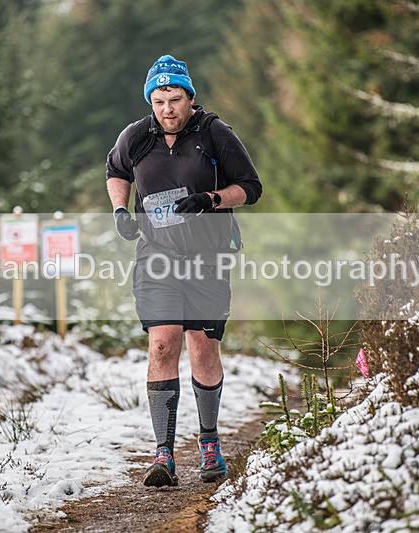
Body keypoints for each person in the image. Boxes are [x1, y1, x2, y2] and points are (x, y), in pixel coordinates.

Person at [105, 54, 262, 487]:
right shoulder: (135, 137)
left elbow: (251, 189)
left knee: (202, 346)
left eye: (175, 99)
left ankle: (209, 444)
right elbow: (116, 171)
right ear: (150, 102)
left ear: (191, 98)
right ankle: (163, 454)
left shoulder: (214, 133)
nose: (167, 108)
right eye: (159, 100)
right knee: (162, 343)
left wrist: (210, 200)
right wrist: (121, 210)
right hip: (156, 256)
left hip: (209, 258)